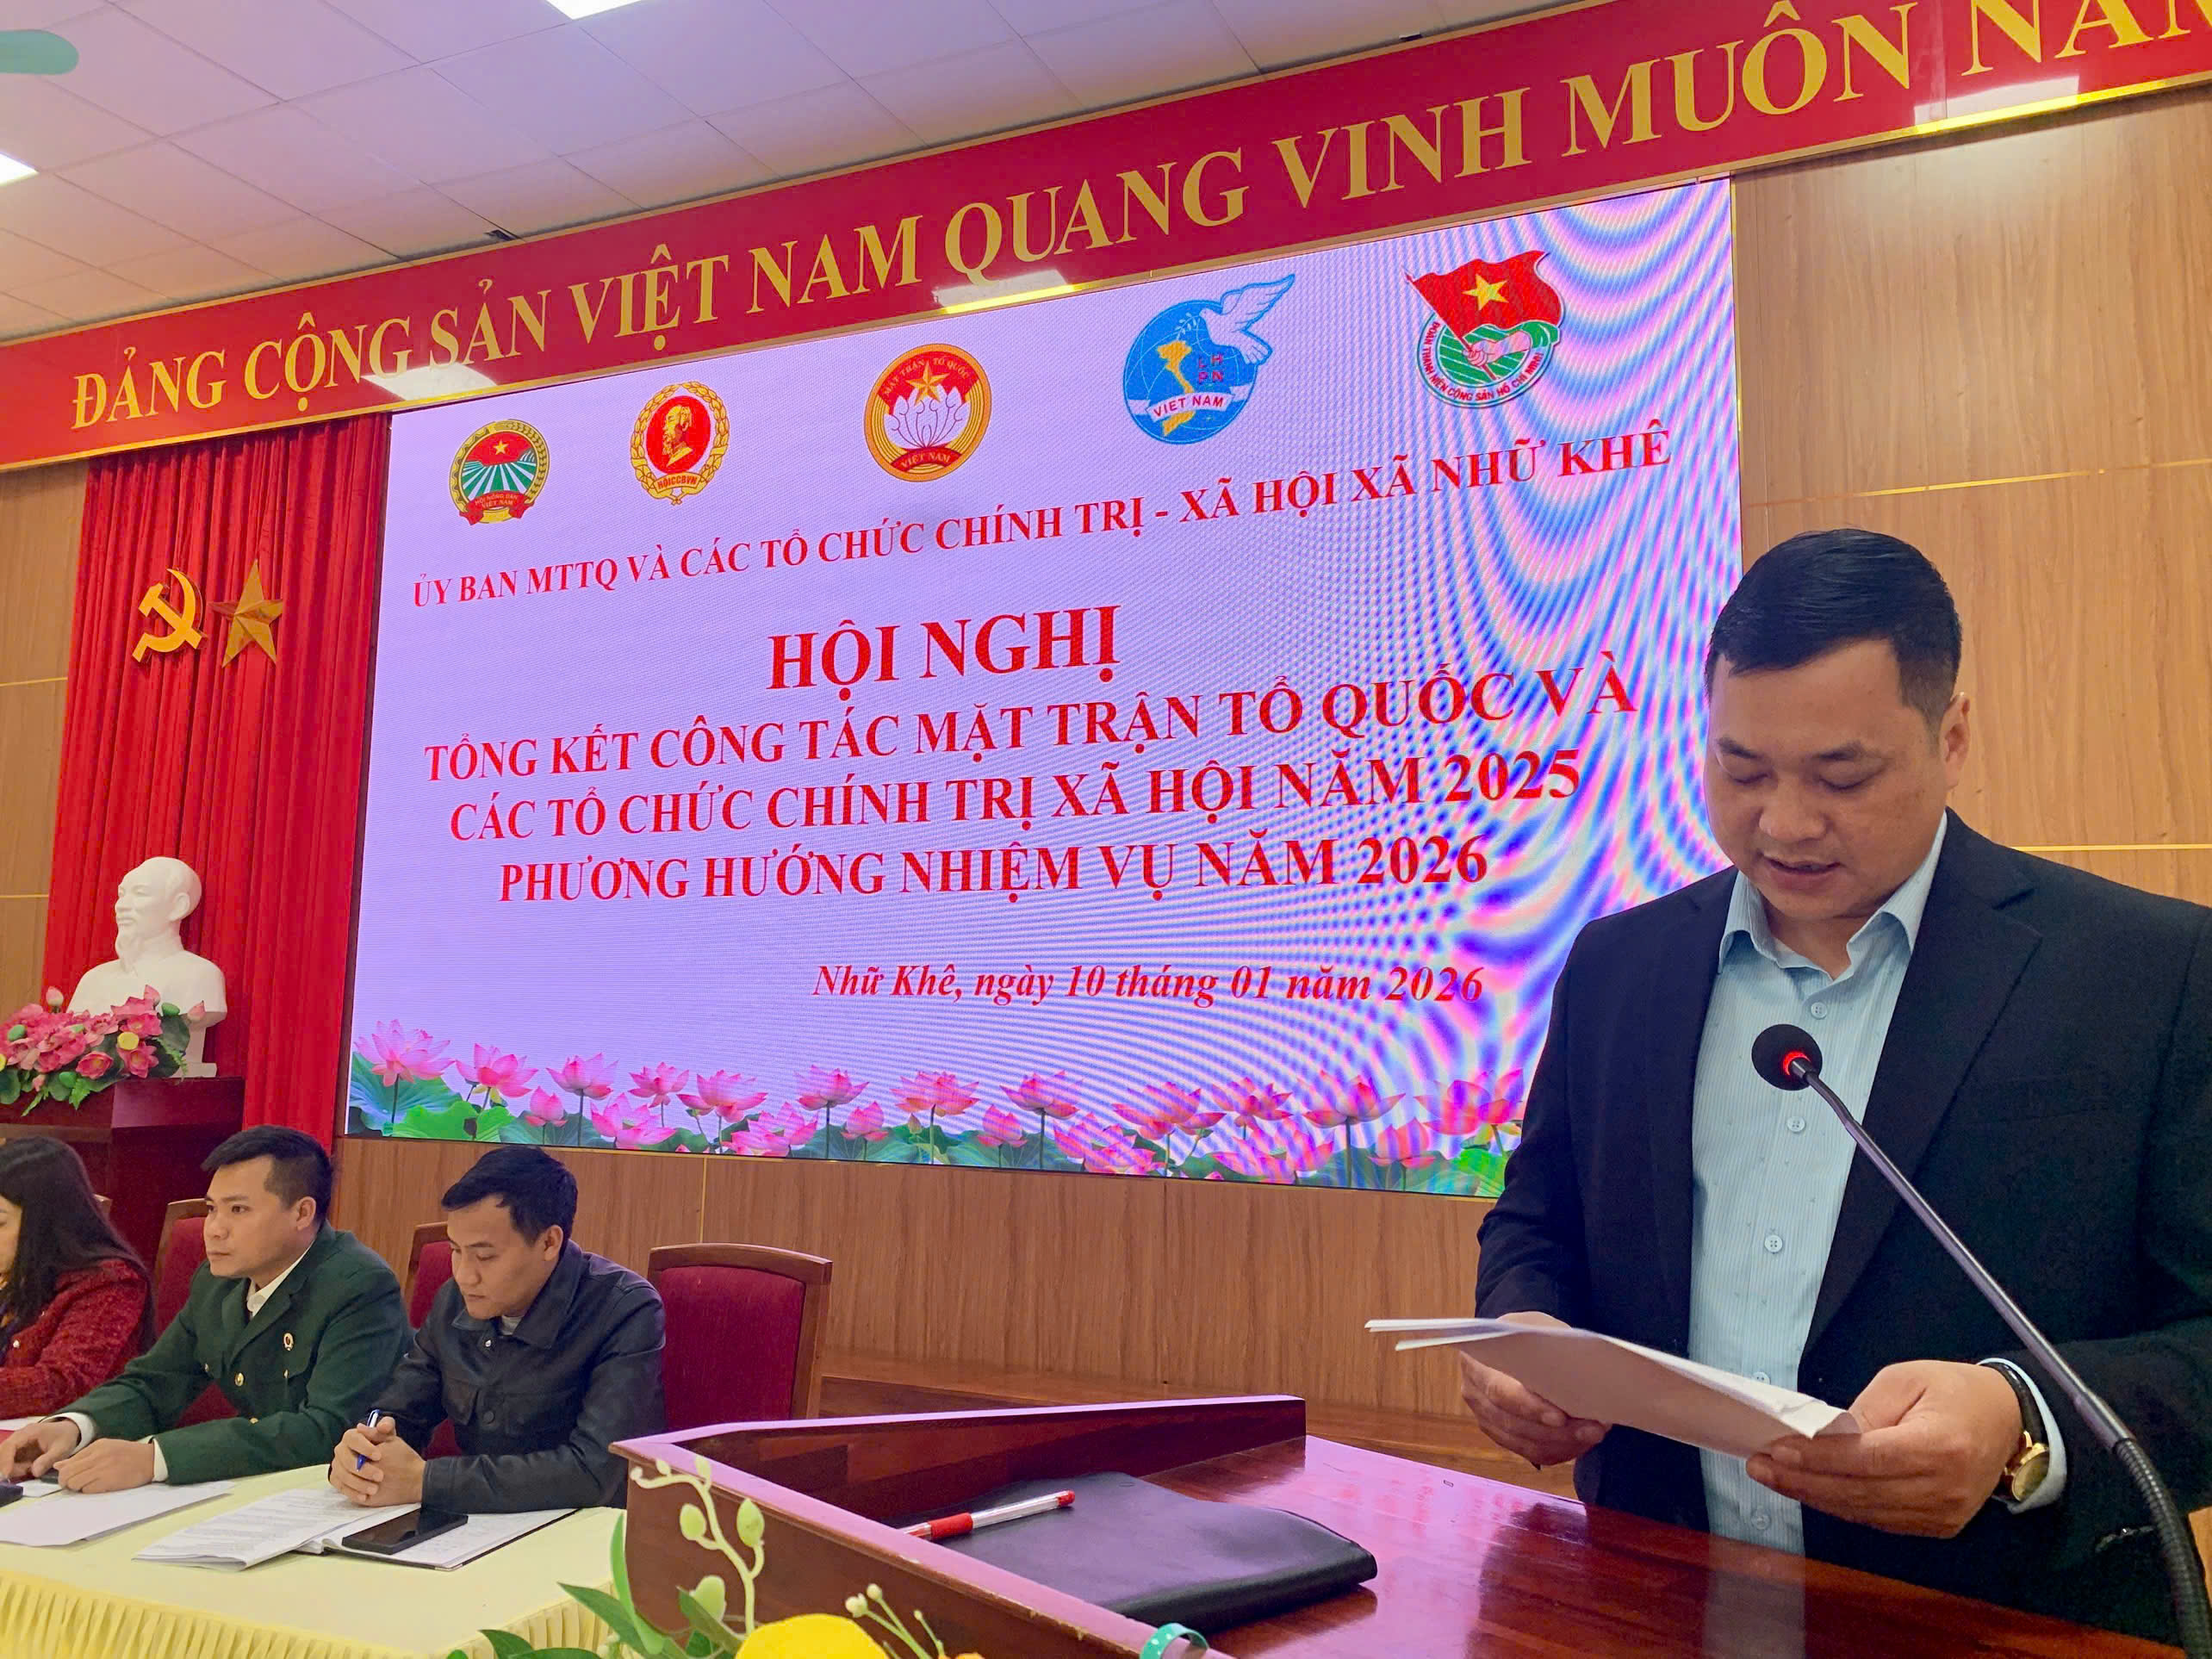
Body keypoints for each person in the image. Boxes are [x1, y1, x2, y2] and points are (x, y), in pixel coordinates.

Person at [1468, 529, 2211, 1641]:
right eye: (1742, 770)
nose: (1785, 823)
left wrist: (2024, 1423)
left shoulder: (2149, 975)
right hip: (1655, 1604)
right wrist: (1523, 1332)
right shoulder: (1621, 965)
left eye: (1841, 776)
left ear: (1952, 737)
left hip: (1997, 1623)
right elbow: (1537, 1220)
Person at [0, 1125, 408, 1492]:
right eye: (212, 1208)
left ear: (302, 1213)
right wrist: (73, 1426)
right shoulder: (218, 1281)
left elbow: (326, 1430)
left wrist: (156, 1459)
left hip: (344, 1494)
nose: (214, 1229)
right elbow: (154, 1383)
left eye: (238, 1210)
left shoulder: (359, 1286)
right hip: (256, 1484)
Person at [328, 1145, 663, 1513]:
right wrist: (363, 1454)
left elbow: (595, 1470)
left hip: (585, 1529)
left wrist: (427, 1481)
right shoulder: (454, 1299)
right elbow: (399, 1411)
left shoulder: (623, 1308)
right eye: (456, 1250)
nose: (464, 1275)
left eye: (485, 1256)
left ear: (549, 1242)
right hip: (476, 1524)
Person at [0, 1137, 153, 1417]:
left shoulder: (110, 1283)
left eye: (0, 1221)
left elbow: (62, 1384)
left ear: (44, 1221)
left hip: (68, 1438)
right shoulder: (12, 1269)